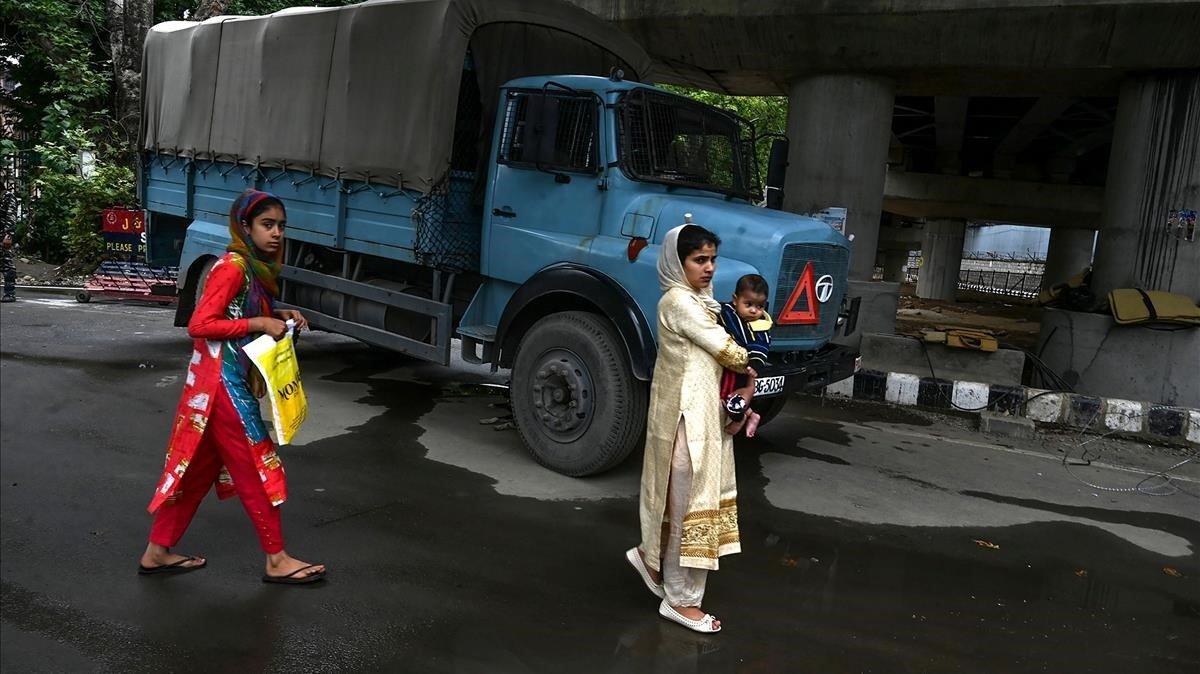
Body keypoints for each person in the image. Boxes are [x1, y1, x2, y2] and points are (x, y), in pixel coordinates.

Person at [137, 189, 326, 585]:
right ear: (245, 227)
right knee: (259, 466)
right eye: (266, 225)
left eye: (280, 226)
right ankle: (277, 559)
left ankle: (157, 551)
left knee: (198, 472)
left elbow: (240, 309)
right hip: (223, 386)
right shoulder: (233, 266)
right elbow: (200, 325)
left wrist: (277, 313)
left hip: (221, 384)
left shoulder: (253, 268)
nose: (276, 234)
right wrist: (260, 324)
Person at [625, 219, 755, 634]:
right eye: (700, 260)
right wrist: (754, 361)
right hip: (687, 424)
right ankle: (681, 601)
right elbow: (730, 352)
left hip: (703, 419)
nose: (710, 268)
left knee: (689, 504)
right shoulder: (679, 303)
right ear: (676, 264)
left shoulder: (705, 302)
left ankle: (652, 562)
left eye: (713, 259)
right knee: (689, 508)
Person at [717, 274, 773, 437]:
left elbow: (760, 347)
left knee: (733, 398)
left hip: (743, 369)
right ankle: (752, 415)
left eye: (760, 306)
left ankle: (739, 419)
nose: (754, 310)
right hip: (728, 365)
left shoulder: (759, 325)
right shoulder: (727, 311)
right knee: (727, 395)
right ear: (735, 300)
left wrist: (755, 364)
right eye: (748, 304)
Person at [1, 191, 17, 303]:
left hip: (3, 235)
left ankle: (9, 293)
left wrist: (9, 235)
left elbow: (11, 216)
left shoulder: (8, 196)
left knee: (7, 264)